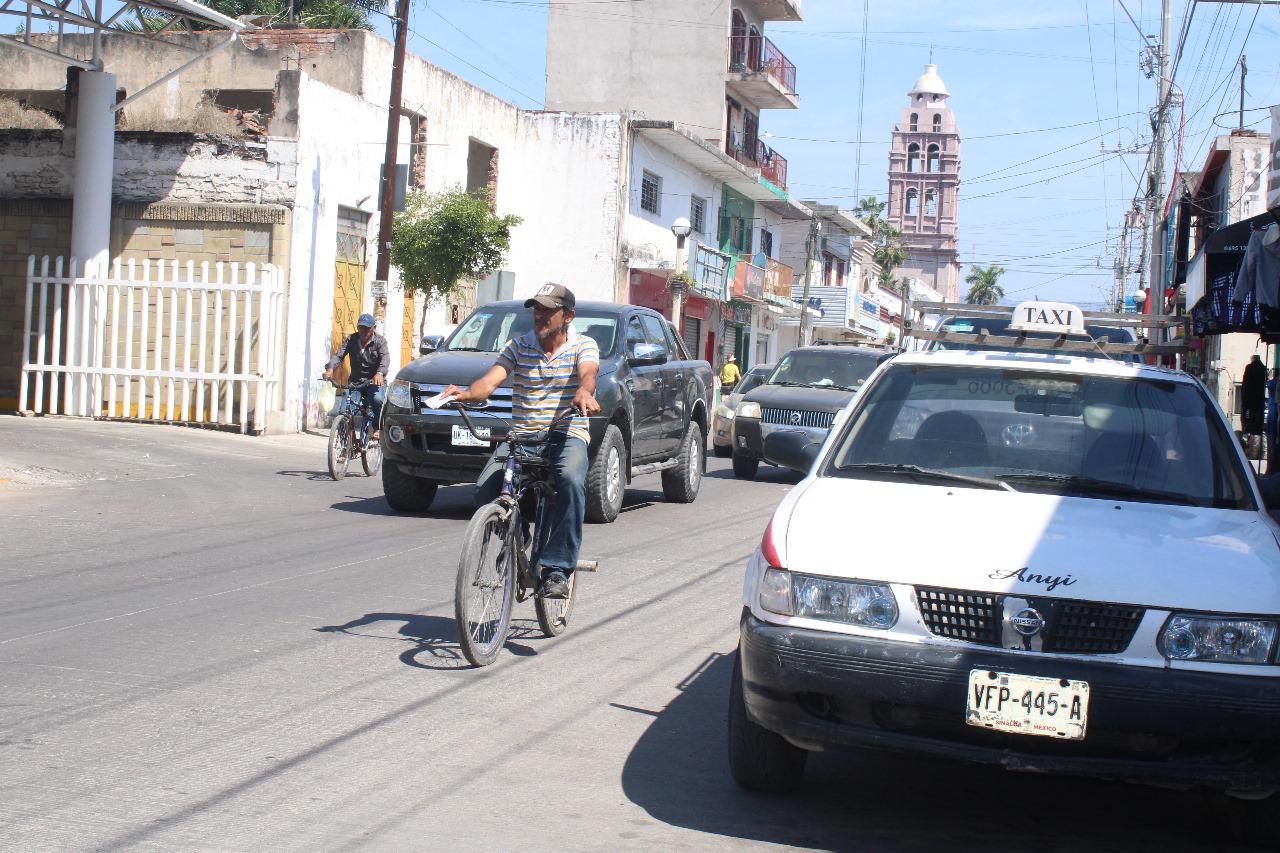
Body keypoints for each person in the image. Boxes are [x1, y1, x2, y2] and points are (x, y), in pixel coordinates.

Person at [442, 283, 601, 599]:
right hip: (523, 436)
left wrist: (584, 392)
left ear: (568, 316)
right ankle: (517, 528)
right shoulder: (518, 345)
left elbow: (588, 375)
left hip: (565, 433)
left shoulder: (584, 345)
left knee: (570, 480)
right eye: (537, 309)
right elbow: (490, 380)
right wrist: (466, 393)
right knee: (485, 491)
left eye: (548, 310)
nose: (540, 315)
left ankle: (557, 570)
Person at [323, 313, 390, 440]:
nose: (363, 331)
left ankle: (376, 427)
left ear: (374, 328)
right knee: (344, 411)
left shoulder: (380, 341)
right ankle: (344, 443)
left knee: (378, 400)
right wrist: (330, 369)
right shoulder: (352, 339)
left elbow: (385, 359)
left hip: (374, 382)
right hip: (355, 382)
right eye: (361, 327)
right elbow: (339, 356)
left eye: (367, 328)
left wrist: (380, 373)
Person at [1243, 354, 1266, 436]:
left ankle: (1249, 437)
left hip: (1250, 401)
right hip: (1260, 401)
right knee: (1258, 422)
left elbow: (1246, 384)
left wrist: (1244, 399)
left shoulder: (1249, 367)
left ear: (1252, 359)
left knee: (1249, 421)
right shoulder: (1263, 368)